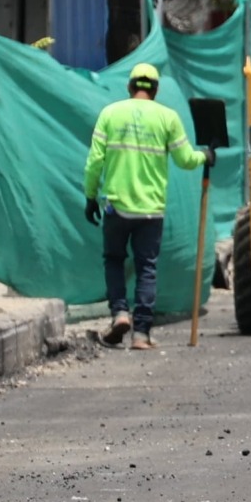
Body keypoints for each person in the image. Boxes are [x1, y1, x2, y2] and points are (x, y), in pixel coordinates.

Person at [82, 60, 205, 350]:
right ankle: (141, 333)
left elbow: (94, 162)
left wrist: (90, 196)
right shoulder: (167, 117)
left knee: (114, 260)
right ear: (156, 89)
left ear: (129, 86)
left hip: (116, 205)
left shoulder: (110, 114)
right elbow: (186, 160)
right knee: (146, 267)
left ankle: (120, 314)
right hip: (151, 210)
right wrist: (205, 157)